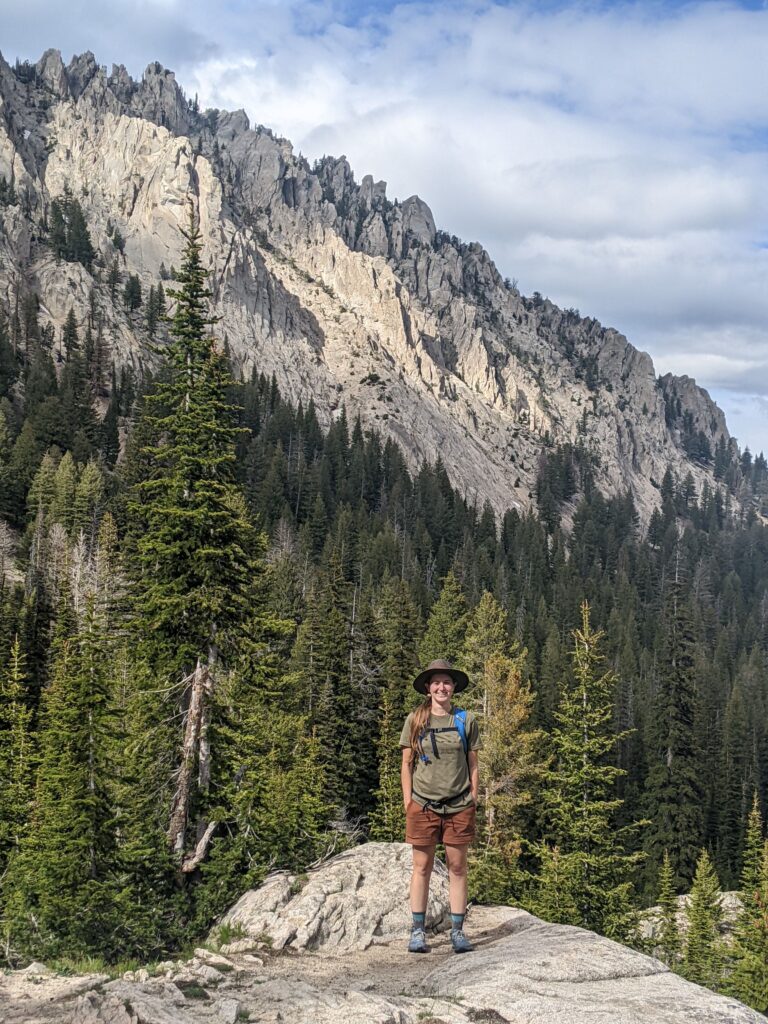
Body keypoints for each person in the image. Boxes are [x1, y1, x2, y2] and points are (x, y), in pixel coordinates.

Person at [399, 658, 481, 954]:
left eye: (446, 682)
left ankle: (457, 931)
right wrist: (409, 802)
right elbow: (406, 764)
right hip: (423, 806)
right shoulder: (416, 720)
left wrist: (474, 795)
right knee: (422, 867)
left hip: (459, 806)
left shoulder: (465, 720)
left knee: (458, 868)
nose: (442, 687)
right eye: (436, 682)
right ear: (428, 688)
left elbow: (473, 762)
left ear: (454, 687)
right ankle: (417, 930)